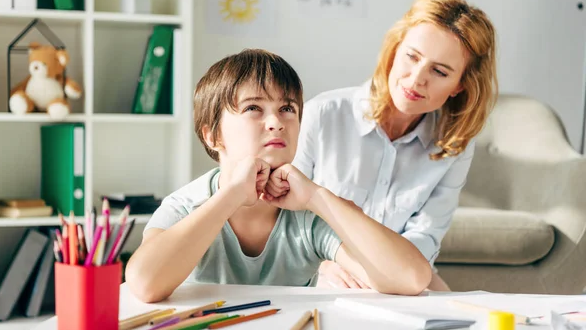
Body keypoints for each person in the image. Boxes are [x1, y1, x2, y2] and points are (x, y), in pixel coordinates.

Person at [125, 49, 432, 303]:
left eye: (287, 108)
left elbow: (411, 278)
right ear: (212, 136)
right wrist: (230, 196)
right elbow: (144, 284)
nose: (276, 122)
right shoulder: (186, 206)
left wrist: (318, 197)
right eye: (253, 108)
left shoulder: (306, 214)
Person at [293, 0, 498, 291]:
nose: (416, 80)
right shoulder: (323, 114)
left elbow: (426, 235)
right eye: (412, 57)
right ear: (394, 51)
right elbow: (283, 218)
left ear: (460, 86)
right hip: (324, 269)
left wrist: (386, 273)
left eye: (439, 71)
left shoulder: (456, 144)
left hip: (402, 274)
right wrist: (326, 264)